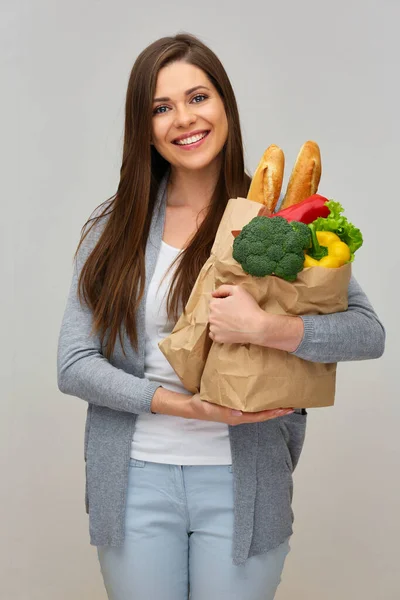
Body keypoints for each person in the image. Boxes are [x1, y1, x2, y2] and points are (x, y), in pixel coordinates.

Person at [57, 32, 385, 600]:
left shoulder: (278, 225)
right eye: (161, 107)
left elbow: (368, 334)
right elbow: (74, 363)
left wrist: (272, 330)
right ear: (145, 127)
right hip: (134, 478)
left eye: (198, 97)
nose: (184, 119)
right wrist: (180, 405)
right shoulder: (116, 230)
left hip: (243, 485)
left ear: (225, 106)